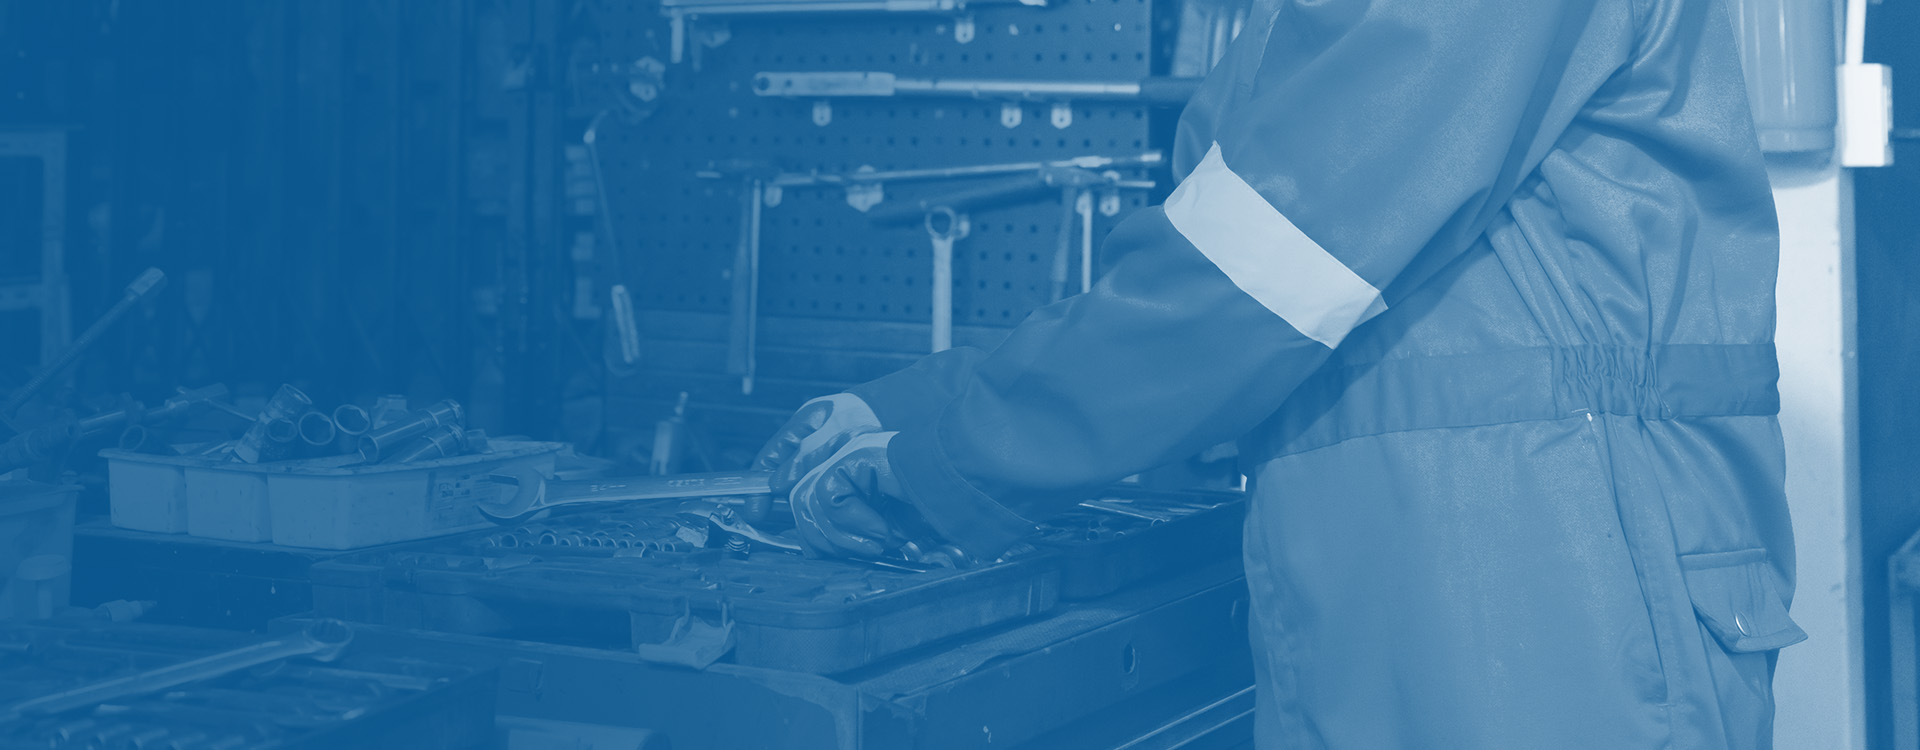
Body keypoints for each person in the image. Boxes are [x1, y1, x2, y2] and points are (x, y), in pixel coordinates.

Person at [754, 0, 1803, 746]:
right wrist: (931, 404)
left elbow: (1264, 273)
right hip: (1465, 586)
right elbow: (1228, 252)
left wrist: (951, 448)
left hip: (1548, 600)